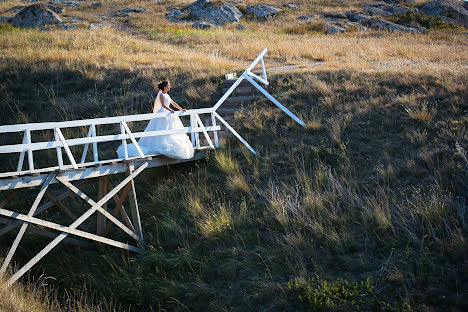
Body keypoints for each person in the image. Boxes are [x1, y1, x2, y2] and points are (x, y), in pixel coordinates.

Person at [116, 80, 194, 159]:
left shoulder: (167, 95)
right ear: (164, 87)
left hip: (170, 114)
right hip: (164, 113)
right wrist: (170, 110)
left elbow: (173, 103)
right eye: (168, 85)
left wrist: (181, 109)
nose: (170, 87)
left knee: (171, 130)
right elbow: (163, 105)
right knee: (160, 129)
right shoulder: (161, 95)